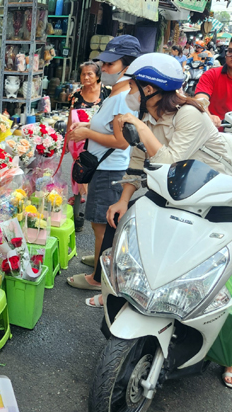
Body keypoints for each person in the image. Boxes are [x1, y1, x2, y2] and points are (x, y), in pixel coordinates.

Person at [95, 52, 232, 390]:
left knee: (223, 273)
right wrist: (123, 199)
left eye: (133, 86)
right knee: (126, 227)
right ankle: (118, 291)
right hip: (172, 191)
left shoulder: (189, 114)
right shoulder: (146, 115)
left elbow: (169, 160)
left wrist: (140, 128)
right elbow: (138, 162)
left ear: (150, 88)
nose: (129, 92)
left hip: (216, 195)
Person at [64, 35, 140, 293]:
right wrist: (88, 125)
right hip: (105, 167)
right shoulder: (116, 92)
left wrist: (87, 133)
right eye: (104, 64)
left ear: (127, 66)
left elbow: (121, 141)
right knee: (101, 224)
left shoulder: (122, 97)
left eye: (110, 64)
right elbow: (108, 127)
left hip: (109, 169)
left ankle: (98, 279)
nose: (104, 69)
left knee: (102, 226)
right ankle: (99, 261)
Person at [65, 61, 111, 230]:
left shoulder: (107, 92)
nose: (86, 77)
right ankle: (77, 212)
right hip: (78, 139)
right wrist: (68, 138)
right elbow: (71, 117)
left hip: (99, 138)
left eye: (90, 74)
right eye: (83, 74)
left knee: (96, 174)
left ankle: (95, 208)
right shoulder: (76, 95)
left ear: (97, 76)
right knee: (80, 171)